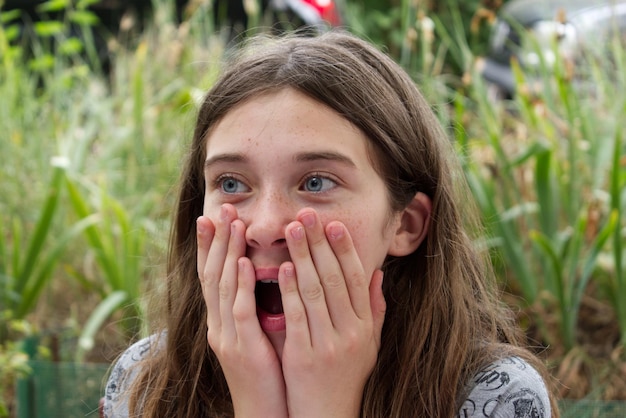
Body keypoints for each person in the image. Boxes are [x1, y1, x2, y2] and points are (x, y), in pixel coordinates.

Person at [103, 30, 559, 417]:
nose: (264, 227)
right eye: (230, 182)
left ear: (406, 224)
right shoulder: (141, 384)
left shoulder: (495, 396)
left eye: (316, 182)